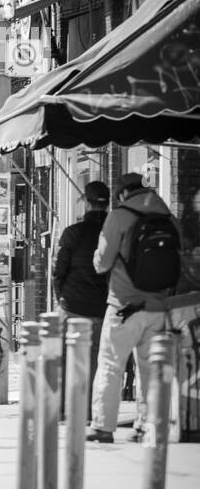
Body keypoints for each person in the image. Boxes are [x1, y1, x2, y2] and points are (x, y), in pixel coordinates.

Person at [86, 173, 181, 444]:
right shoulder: (168, 216)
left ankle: (103, 427)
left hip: (123, 306)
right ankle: (146, 427)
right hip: (159, 306)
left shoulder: (119, 216)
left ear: (122, 193)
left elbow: (101, 263)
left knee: (111, 365)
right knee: (151, 369)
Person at [53, 181, 111, 412]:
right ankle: (85, 409)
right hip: (100, 308)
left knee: (64, 356)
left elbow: (59, 272)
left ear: (86, 202)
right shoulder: (113, 233)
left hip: (72, 305)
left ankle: (64, 406)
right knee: (94, 358)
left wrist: (62, 300)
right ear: (107, 204)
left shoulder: (73, 233)